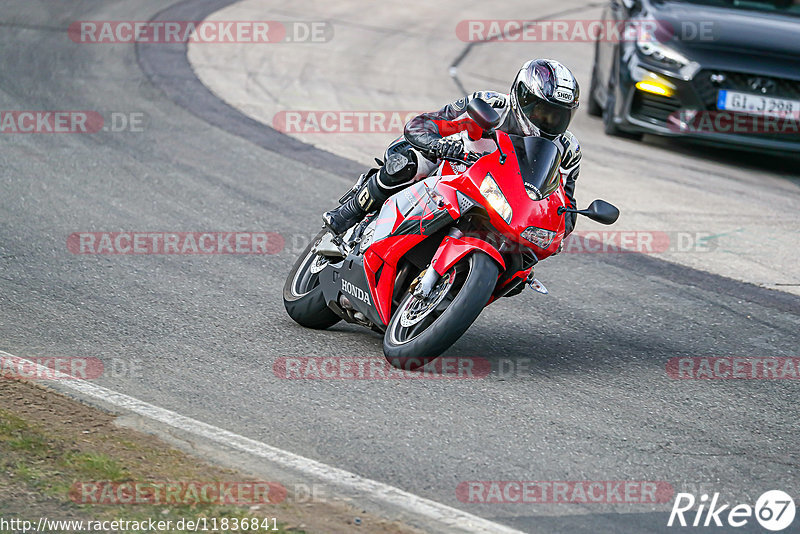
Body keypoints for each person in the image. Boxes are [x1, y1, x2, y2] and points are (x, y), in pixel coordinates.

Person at [323, 59, 582, 237]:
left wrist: (556, 225)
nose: (547, 121)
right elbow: (423, 124)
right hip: (451, 165)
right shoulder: (490, 105)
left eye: (556, 116)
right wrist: (440, 146)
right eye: (541, 111)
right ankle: (350, 211)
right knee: (408, 165)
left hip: (504, 196)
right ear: (521, 96)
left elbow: (566, 204)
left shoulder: (568, 149)